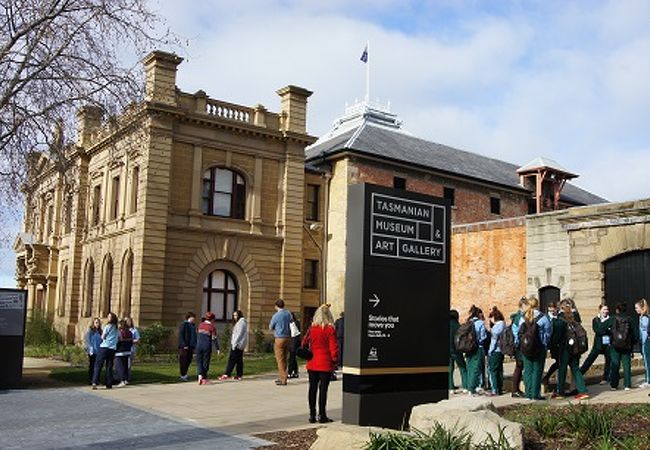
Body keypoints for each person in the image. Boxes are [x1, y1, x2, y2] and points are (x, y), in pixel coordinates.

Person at [302, 304, 338, 424]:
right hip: (325, 362)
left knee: (312, 389)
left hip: (312, 362)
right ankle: (322, 415)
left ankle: (312, 414)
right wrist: (334, 360)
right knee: (323, 390)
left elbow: (304, 343)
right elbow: (333, 347)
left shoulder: (312, 329)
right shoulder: (330, 329)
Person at [551, 303, 589, 400]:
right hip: (575, 349)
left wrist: (552, 347)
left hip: (564, 349)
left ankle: (560, 392)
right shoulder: (573, 320)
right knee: (576, 369)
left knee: (562, 369)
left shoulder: (559, 321)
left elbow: (556, 338)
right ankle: (583, 391)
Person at [518, 296, 551, 400]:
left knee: (527, 370)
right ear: (537, 305)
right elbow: (548, 332)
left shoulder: (523, 317)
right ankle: (535, 394)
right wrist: (544, 343)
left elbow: (518, 333)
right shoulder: (543, 317)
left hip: (525, 348)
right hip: (539, 347)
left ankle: (528, 394)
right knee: (537, 370)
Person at [579, 303, 613, 384]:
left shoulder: (611, 319)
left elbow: (611, 330)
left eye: (607, 309)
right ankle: (580, 374)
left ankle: (606, 378)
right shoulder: (595, 320)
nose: (606, 311)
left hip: (608, 344)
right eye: (604, 309)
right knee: (590, 359)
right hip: (598, 344)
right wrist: (606, 328)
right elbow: (597, 330)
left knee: (608, 361)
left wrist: (604, 329)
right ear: (600, 310)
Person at [609, 302, 636, 391]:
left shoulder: (613, 318)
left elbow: (601, 328)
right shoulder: (630, 319)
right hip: (626, 345)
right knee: (626, 365)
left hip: (614, 345)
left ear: (617, 310)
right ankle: (627, 385)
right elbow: (636, 334)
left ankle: (614, 385)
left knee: (615, 364)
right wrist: (632, 343)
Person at [92, 312, 119, 390]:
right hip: (112, 349)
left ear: (111, 318)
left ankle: (94, 382)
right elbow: (118, 338)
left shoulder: (108, 326)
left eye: (109, 317)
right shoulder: (116, 328)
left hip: (104, 347)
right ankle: (109, 383)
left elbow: (103, 337)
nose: (108, 318)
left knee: (98, 365)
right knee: (109, 366)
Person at [465, 305, 488, 395]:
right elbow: (483, 337)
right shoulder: (480, 323)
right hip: (478, 348)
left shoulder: (468, 322)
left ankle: (469, 386)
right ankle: (472, 388)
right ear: (479, 313)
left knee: (470, 368)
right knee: (476, 369)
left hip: (468, 348)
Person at [269, 299, 293, 386]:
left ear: (276, 306)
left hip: (279, 338)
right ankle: (284, 376)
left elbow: (271, 326)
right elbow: (292, 323)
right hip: (288, 337)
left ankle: (283, 379)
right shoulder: (288, 314)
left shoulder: (276, 315)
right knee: (285, 358)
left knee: (280, 359)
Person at [220, 310, 248, 381]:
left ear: (239, 315)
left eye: (236, 315)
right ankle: (239, 375)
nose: (235, 317)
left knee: (232, 359)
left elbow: (239, 334)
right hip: (239, 344)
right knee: (239, 360)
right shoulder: (240, 322)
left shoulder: (241, 323)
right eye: (234, 315)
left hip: (237, 344)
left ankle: (227, 374)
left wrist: (234, 343)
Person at [486, 306, 505, 396]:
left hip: (495, 351)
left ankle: (494, 389)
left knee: (492, 370)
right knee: (500, 370)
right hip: (501, 350)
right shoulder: (504, 324)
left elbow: (493, 340)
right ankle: (500, 388)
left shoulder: (496, 327)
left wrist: (490, 351)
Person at [196, 311, 218, 385]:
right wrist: (218, 348)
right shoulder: (212, 327)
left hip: (199, 345)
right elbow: (214, 338)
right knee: (205, 362)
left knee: (199, 361)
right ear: (212, 319)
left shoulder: (200, 325)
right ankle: (204, 378)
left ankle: (199, 376)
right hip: (206, 346)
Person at [449, 309, 468, 394]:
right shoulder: (458, 326)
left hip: (448, 351)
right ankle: (465, 386)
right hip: (457, 350)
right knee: (463, 368)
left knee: (450, 369)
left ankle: (451, 388)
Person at [542, 302, 560, 388]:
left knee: (559, 362)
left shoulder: (559, 316)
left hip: (559, 344)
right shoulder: (546, 318)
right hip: (552, 343)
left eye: (554, 308)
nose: (552, 310)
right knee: (559, 362)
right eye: (551, 308)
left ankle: (548, 377)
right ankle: (547, 377)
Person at [510, 298, 525, 398]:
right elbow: (518, 332)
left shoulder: (518, 316)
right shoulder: (520, 317)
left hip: (518, 345)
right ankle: (515, 390)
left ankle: (516, 389)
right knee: (519, 367)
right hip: (520, 345)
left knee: (519, 368)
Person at [178, 312, 197, 381]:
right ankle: (183, 375)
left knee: (188, 360)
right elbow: (181, 336)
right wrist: (184, 345)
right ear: (189, 317)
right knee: (183, 360)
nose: (194, 319)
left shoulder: (192, 325)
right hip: (184, 346)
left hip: (191, 346)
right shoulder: (184, 325)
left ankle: (185, 374)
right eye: (193, 317)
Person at [635, 298, 649, 389]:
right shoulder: (642, 317)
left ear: (642, 308)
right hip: (644, 341)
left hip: (646, 342)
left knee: (647, 362)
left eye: (637, 308)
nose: (636, 309)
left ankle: (648, 381)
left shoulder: (645, 318)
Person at [115, 319, 133, 387]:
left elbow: (118, 341)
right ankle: (126, 379)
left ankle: (122, 380)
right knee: (125, 366)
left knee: (120, 367)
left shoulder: (120, 332)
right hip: (127, 351)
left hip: (120, 351)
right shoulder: (129, 332)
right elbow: (131, 342)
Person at [84, 317, 102, 385]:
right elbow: (88, 341)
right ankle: (91, 379)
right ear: (93, 323)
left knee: (98, 366)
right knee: (92, 366)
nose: (97, 324)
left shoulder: (100, 332)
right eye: (96, 323)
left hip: (99, 351)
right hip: (92, 351)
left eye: (98, 323)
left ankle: (97, 380)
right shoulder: (91, 332)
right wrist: (90, 348)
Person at [124, 316, 140, 382]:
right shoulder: (122, 330)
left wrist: (130, 341)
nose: (127, 322)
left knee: (128, 364)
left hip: (131, 349)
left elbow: (138, 340)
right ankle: (122, 377)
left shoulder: (134, 330)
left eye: (128, 321)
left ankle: (127, 377)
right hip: (123, 349)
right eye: (126, 321)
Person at [287, 312, 301, 379]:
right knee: (293, 358)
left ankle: (290, 372)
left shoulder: (293, 323)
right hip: (293, 342)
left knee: (291, 358)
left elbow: (294, 334)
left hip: (293, 342)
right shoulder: (295, 323)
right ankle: (295, 372)